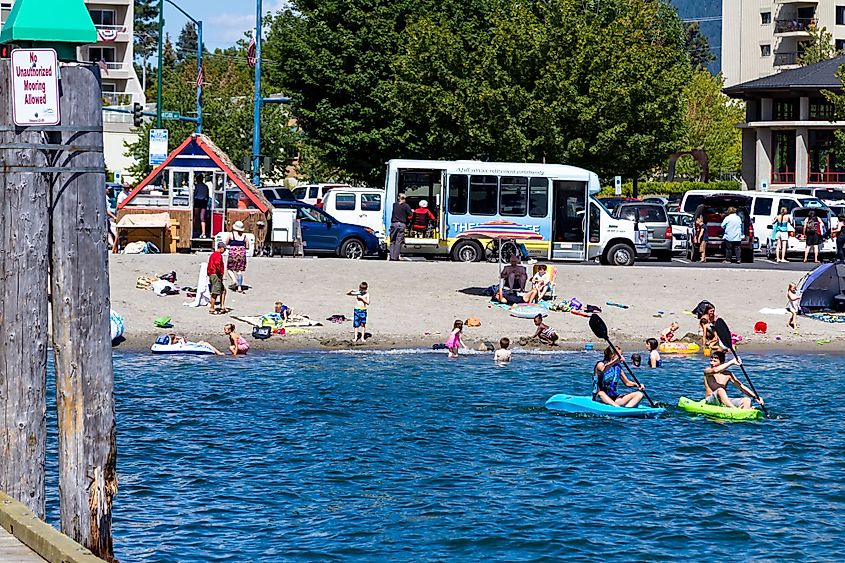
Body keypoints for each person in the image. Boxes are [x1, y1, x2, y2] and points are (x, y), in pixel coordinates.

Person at [225, 220, 250, 293]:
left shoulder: (231, 235)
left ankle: (234, 280)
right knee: (239, 271)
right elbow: (247, 246)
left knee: (229, 269)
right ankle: (239, 287)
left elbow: (226, 243)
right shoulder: (244, 236)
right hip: (242, 254)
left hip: (233, 253)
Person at [389, 193, 412, 261]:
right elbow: (410, 215)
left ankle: (392, 256)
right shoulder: (406, 206)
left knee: (392, 240)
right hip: (402, 224)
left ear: (399, 198)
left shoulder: (394, 205)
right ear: (404, 199)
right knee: (398, 241)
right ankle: (395, 257)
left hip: (394, 224)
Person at [207, 241, 227, 314]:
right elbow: (217, 264)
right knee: (215, 292)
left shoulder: (213, 254)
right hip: (215, 274)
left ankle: (222, 306)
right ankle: (212, 308)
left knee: (223, 290)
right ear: (221, 248)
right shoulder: (218, 255)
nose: (224, 250)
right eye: (224, 249)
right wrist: (220, 273)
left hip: (213, 274)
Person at [193, 173, 210, 238]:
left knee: (196, 217)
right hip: (203, 201)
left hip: (198, 201)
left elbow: (195, 194)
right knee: (202, 218)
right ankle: (203, 233)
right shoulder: (205, 186)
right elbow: (207, 196)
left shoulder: (197, 186)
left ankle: (196, 230)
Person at [106, 186, 118, 254]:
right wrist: (114, 217)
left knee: (109, 233)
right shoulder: (104, 197)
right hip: (106, 218)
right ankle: (113, 246)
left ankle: (113, 246)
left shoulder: (106, 197)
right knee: (111, 233)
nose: (109, 190)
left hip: (107, 218)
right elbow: (107, 211)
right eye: (108, 189)